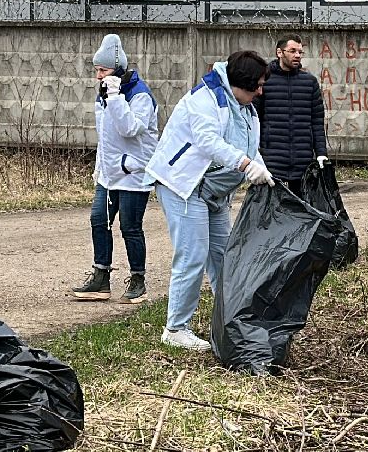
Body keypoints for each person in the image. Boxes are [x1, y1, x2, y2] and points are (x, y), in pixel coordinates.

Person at [146, 50, 274, 352]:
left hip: (214, 192)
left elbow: (248, 144)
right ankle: (176, 328)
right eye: (255, 86)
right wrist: (245, 165)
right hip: (184, 187)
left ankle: (229, 317)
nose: (259, 91)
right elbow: (209, 142)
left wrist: (260, 165)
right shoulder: (206, 100)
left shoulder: (245, 108)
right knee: (193, 255)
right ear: (237, 83)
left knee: (224, 256)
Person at [72, 33, 159, 304]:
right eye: (97, 70)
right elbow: (106, 137)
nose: (98, 75)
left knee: (131, 227)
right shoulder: (104, 94)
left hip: (134, 174)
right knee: (99, 221)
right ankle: (101, 278)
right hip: (109, 174)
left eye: (103, 70)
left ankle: (138, 280)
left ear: (118, 70)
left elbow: (130, 129)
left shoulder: (139, 95)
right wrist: (99, 168)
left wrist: (115, 97)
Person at [254, 34, 328, 186]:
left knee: (301, 207)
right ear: (279, 52)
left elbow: (317, 121)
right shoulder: (264, 81)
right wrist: (255, 152)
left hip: (303, 159)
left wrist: (321, 153)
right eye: (292, 51)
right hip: (272, 158)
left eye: (300, 52)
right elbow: (254, 119)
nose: (297, 55)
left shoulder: (309, 82)